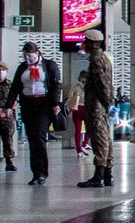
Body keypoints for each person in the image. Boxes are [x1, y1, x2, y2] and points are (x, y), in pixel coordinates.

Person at [3, 42, 61, 185]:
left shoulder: (49, 65)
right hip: (28, 104)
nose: (28, 58)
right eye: (25, 55)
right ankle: (35, 172)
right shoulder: (23, 68)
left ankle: (42, 172)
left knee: (40, 137)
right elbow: (15, 87)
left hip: (43, 105)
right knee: (32, 139)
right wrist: (9, 105)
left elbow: (56, 86)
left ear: (37, 53)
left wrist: (55, 103)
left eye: (30, 55)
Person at [78, 29, 115, 188]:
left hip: (97, 106)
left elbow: (101, 85)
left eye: (85, 41)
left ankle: (98, 176)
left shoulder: (96, 60)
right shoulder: (105, 58)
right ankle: (108, 175)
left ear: (91, 44)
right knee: (106, 139)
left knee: (99, 140)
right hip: (103, 105)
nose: (83, 44)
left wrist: (106, 104)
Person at [67, 70, 91, 157]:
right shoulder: (89, 87)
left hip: (76, 109)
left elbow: (69, 96)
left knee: (77, 130)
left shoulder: (75, 86)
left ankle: (78, 151)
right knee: (89, 129)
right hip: (87, 109)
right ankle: (84, 145)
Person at [0, 61, 18, 172]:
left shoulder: (10, 84)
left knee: (8, 138)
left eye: (3, 70)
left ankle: (9, 161)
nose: (1, 72)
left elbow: (15, 99)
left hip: (7, 116)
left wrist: (10, 108)